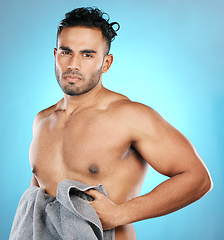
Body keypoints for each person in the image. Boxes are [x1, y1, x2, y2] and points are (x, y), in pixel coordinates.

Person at [28, 7, 212, 239]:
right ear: (56, 55)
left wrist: (120, 213)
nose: (73, 64)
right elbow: (35, 208)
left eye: (87, 54)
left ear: (106, 63)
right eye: (66, 52)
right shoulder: (42, 121)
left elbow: (198, 179)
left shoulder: (130, 116)